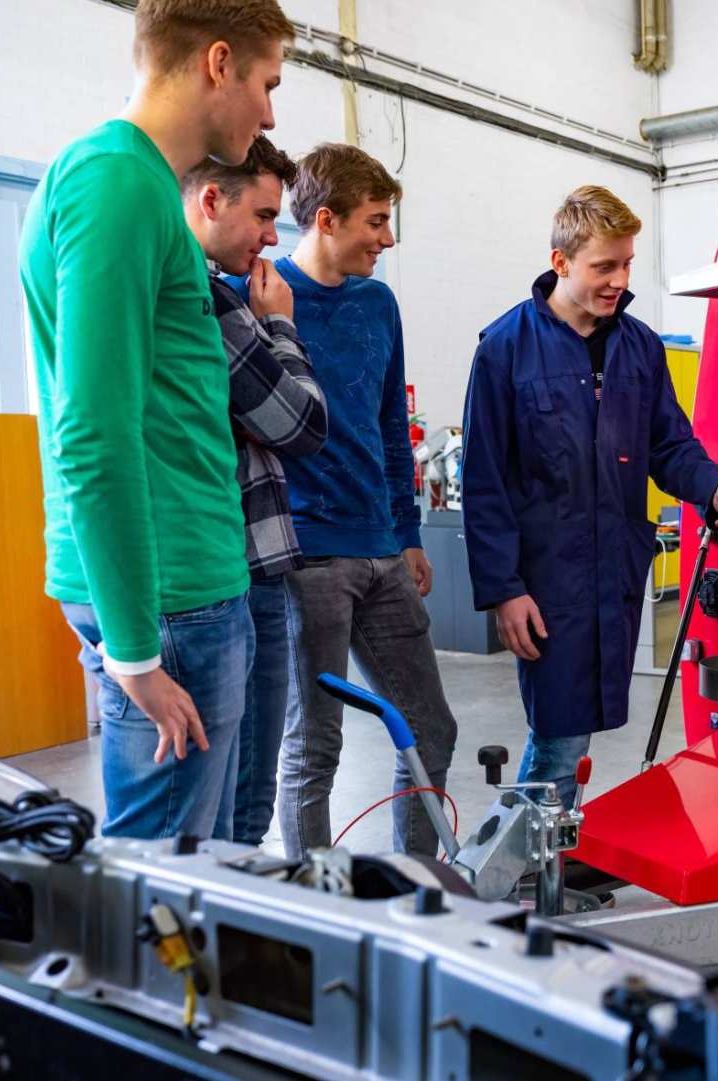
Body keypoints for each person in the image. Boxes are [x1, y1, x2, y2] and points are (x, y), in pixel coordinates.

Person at [20, 0, 292, 839]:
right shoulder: (118, 182)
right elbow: (94, 432)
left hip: (175, 585)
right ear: (218, 64)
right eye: (267, 82)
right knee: (163, 883)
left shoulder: (121, 181)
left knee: (193, 868)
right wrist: (136, 653)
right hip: (171, 597)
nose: (271, 113)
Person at [460, 185, 718, 808]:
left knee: (573, 730)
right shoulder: (505, 350)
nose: (619, 280)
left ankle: (544, 848)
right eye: (605, 266)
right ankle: (526, 860)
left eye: (627, 263)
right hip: (546, 576)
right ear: (561, 263)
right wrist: (503, 589)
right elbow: (484, 481)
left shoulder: (640, 348)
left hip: (614, 567)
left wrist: (715, 489)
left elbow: (669, 446)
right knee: (559, 728)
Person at [271, 143, 458, 859]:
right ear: (326, 219)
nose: (387, 238)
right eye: (376, 222)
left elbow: (388, 424)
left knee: (431, 726)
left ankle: (413, 882)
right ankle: (314, 902)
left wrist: (407, 530)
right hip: (307, 559)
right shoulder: (267, 297)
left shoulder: (378, 303)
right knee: (314, 744)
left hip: (381, 549)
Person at [179, 137, 327, 846]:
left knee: (235, 797)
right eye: (265, 215)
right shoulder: (210, 298)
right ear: (211, 201)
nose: (274, 236)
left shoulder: (212, 288)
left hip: (240, 568)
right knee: (236, 811)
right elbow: (301, 421)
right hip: (235, 572)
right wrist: (281, 325)